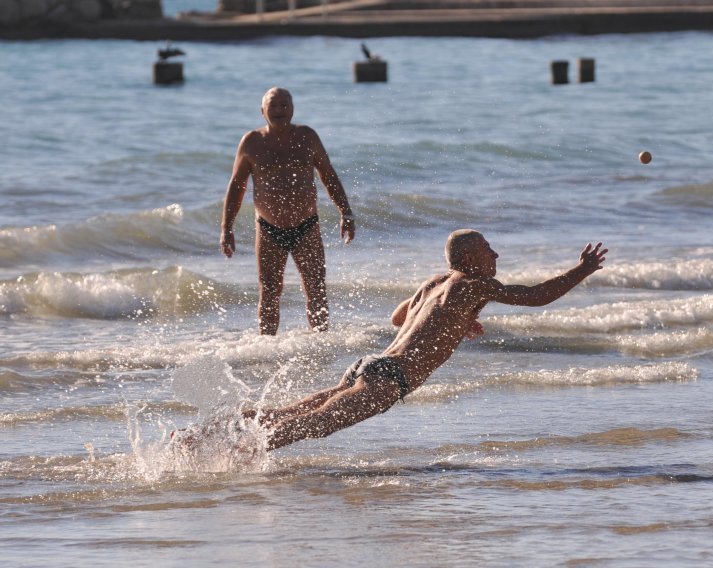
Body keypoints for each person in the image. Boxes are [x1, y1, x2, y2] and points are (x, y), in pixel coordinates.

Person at [242, 230, 607, 452]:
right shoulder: (473, 284)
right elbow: (537, 296)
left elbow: (399, 317)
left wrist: (454, 321)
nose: (495, 255)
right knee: (316, 423)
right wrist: (582, 269)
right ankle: (232, 451)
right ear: (468, 257)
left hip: (368, 366)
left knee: (298, 412)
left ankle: (217, 431)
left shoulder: (437, 282)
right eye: (488, 249)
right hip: (389, 377)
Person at [220, 87, 355, 335]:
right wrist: (226, 228)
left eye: (285, 105)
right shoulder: (251, 142)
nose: (280, 110)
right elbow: (236, 186)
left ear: (293, 109)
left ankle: (321, 343)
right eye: (273, 105)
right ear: (263, 111)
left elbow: (328, 175)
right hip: (269, 229)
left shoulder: (308, 137)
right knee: (269, 292)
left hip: (307, 226)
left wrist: (345, 212)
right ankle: (267, 349)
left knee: (316, 288)